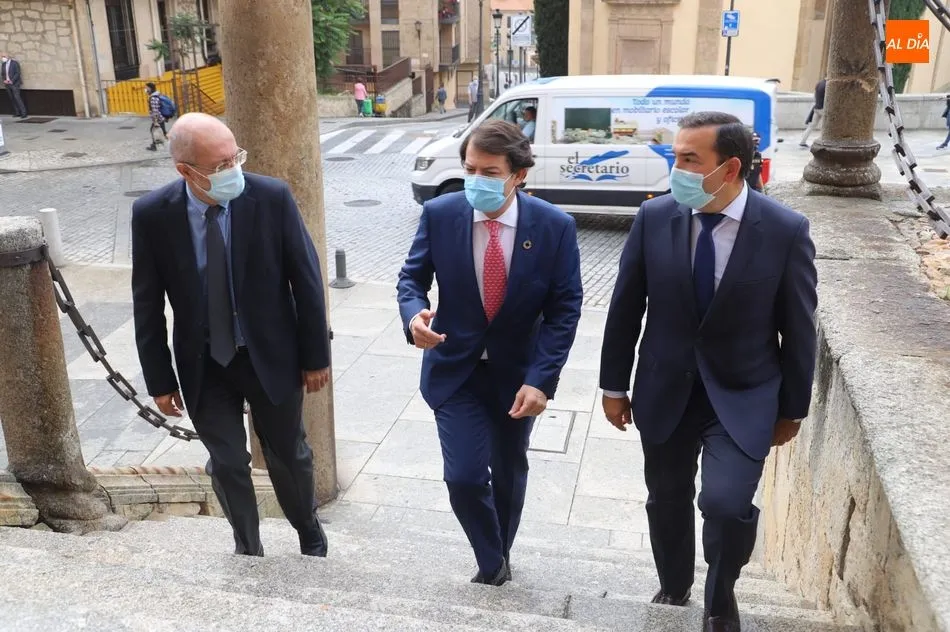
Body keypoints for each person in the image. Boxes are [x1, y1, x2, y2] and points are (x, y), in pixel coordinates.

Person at [599, 111, 818, 632]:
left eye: (689, 159)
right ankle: (674, 586)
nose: (677, 168)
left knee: (723, 504)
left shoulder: (785, 231)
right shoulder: (655, 219)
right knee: (667, 498)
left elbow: (799, 328)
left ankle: (721, 600)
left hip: (743, 396)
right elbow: (626, 306)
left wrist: (792, 410)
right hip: (664, 389)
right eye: (676, 156)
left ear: (731, 167)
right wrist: (613, 385)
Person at [131, 113, 332, 558]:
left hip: (271, 353)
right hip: (205, 362)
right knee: (227, 462)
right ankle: (249, 547)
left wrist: (316, 356)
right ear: (186, 171)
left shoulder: (272, 197)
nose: (233, 170)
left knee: (289, 455)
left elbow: (308, 279)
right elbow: (147, 304)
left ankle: (309, 533)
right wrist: (160, 382)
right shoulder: (151, 215)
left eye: (235, 157)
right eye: (220, 165)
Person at [397, 119, 583, 586]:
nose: (476, 180)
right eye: (469, 169)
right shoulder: (441, 214)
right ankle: (491, 561)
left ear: (519, 174)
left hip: (517, 376)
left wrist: (541, 379)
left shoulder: (554, 227)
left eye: (490, 171)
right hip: (453, 369)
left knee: (508, 471)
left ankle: (500, 554)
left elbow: (564, 309)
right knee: (462, 476)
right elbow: (411, 279)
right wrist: (414, 315)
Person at [800, 77, 826, 147]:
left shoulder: (819, 83)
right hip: (824, 109)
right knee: (826, 127)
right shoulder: (828, 85)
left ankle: (802, 141)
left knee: (811, 126)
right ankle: (824, 142)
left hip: (817, 107)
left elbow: (814, 95)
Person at [1, 53, 27, 119]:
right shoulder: (3, 64)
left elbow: (17, 73)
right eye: (2, 56)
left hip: (15, 84)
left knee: (17, 98)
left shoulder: (14, 63)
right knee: (12, 98)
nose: (3, 58)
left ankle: (23, 113)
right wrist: (4, 80)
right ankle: (17, 112)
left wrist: (12, 80)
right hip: (7, 84)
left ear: (8, 57)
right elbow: (3, 74)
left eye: (4, 56)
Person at [145, 82, 169, 152]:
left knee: (152, 130)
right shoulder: (157, 95)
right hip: (161, 117)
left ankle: (154, 146)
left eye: (146, 88)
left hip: (158, 118)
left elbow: (155, 110)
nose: (145, 89)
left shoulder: (153, 98)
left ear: (150, 88)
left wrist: (155, 121)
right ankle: (172, 143)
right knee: (163, 132)